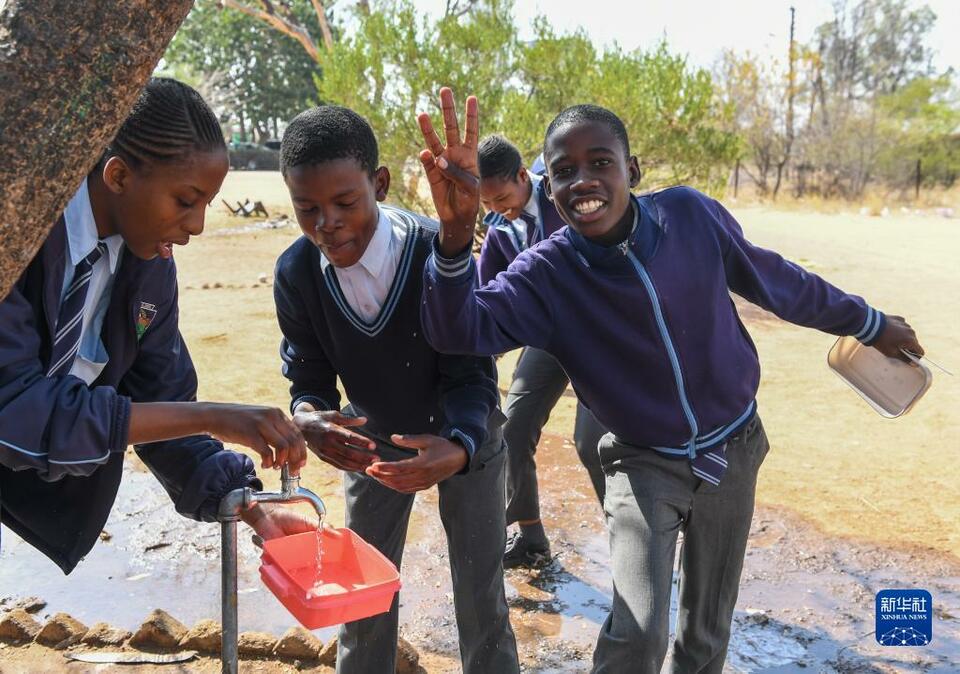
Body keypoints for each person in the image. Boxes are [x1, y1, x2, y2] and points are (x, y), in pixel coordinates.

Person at [415, 90, 924, 673]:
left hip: (733, 447)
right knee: (637, 633)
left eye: (600, 163)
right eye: (564, 171)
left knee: (705, 637)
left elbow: (774, 279)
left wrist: (868, 321)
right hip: (641, 463)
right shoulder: (546, 273)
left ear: (631, 170)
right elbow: (460, 330)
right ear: (548, 187)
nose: (583, 180)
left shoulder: (688, 215)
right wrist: (454, 237)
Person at [0, 77, 310, 575]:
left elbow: (163, 404)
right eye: (185, 200)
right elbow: (16, 409)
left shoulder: (149, 268)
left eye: (206, 203)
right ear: (118, 176)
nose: (198, 225)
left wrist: (252, 504)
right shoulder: (21, 234)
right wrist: (213, 415)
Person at [273, 105, 518, 674]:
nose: (325, 224)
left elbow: (470, 373)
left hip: (470, 438)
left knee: (481, 596)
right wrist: (312, 418)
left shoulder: (440, 250)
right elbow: (307, 375)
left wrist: (459, 446)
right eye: (306, 209)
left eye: (344, 203)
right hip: (374, 443)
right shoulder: (297, 274)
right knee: (362, 599)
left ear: (378, 184)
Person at [477, 134, 606, 568]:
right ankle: (532, 537)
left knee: (592, 443)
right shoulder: (499, 229)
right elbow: (486, 298)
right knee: (513, 429)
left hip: (600, 337)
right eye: (487, 203)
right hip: (550, 341)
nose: (497, 209)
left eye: (502, 197)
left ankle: (635, 539)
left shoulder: (565, 200)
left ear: (522, 176)